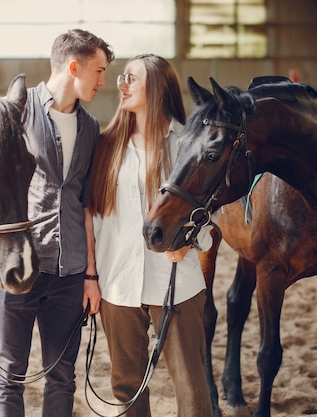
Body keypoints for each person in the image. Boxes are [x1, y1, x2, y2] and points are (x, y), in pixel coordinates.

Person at [0, 28, 114, 417]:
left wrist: (91, 274)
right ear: (74, 67)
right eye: (99, 70)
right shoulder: (16, 112)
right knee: (10, 373)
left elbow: (86, 203)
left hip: (70, 269)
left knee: (62, 376)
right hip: (17, 265)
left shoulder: (92, 127)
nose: (103, 80)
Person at [86, 54, 213, 417]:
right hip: (117, 284)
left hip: (177, 282)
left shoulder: (187, 143)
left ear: (156, 87)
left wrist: (191, 239)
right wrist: (91, 276)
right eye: (121, 77)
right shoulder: (106, 144)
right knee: (126, 385)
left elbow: (209, 205)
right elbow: (94, 215)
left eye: (131, 78)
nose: (120, 84)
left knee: (190, 384)